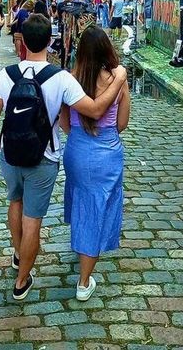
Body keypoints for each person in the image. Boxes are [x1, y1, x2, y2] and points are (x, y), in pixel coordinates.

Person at [0, 15, 125, 301]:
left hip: (10, 154)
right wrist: (118, 79)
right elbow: (94, 110)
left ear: (21, 40)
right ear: (50, 40)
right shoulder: (61, 78)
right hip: (43, 158)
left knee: (15, 201)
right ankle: (21, 281)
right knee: (33, 219)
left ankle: (18, 253)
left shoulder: (6, 74)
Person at [59, 27, 130, 301]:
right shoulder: (117, 80)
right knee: (99, 207)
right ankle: (84, 281)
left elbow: (64, 123)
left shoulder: (70, 80)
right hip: (107, 152)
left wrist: (80, 137)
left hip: (77, 150)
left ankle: (81, 248)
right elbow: (122, 123)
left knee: (82, 202)